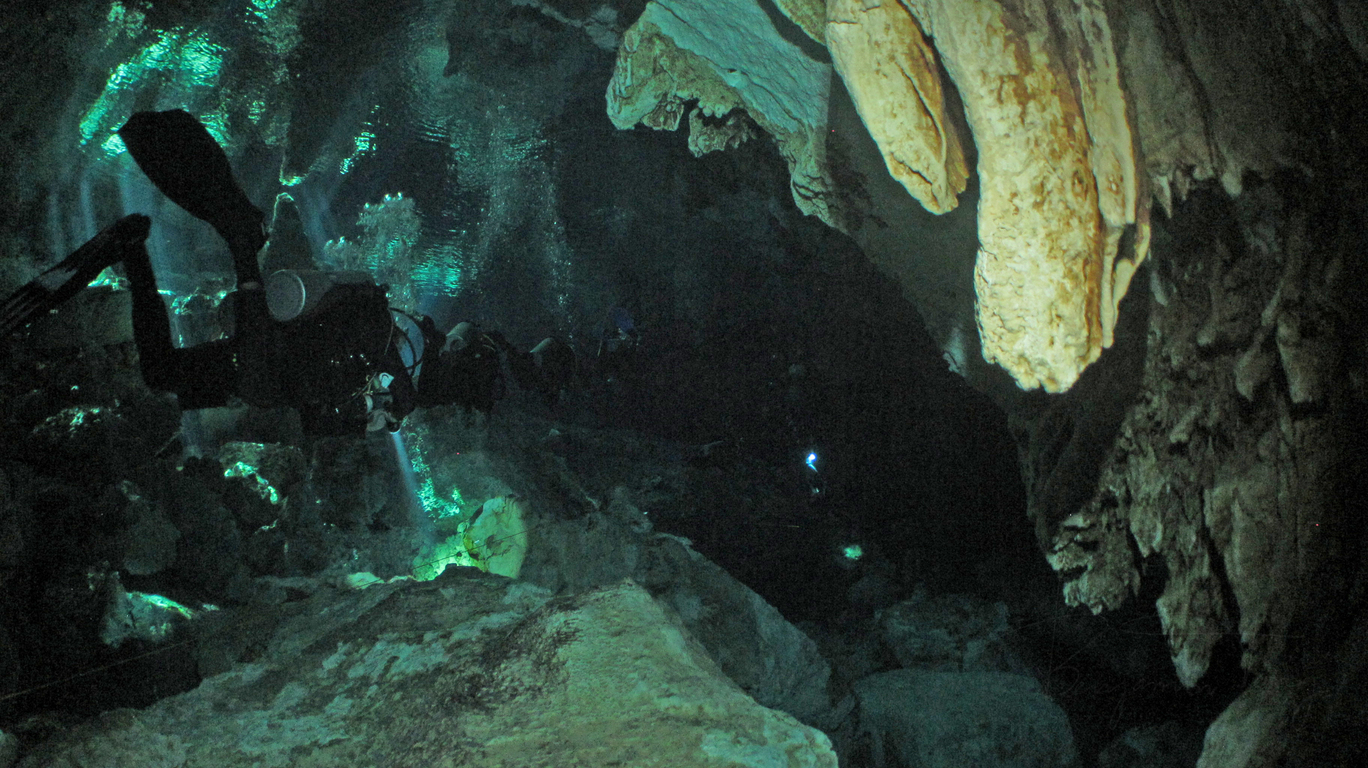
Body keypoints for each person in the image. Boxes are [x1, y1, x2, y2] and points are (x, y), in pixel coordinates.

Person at [0, 110, 414, 437]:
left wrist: (360, 421)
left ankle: (136, 246)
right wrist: (245, 265)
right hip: (253, 362)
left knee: (161, 375)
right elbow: (284, 370)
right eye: (385, 413)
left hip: (249, 372)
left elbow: (309, 414)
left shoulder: (359, 363)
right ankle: (141, 245)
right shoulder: (362, 357)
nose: (377, 417)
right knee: (163, 370)